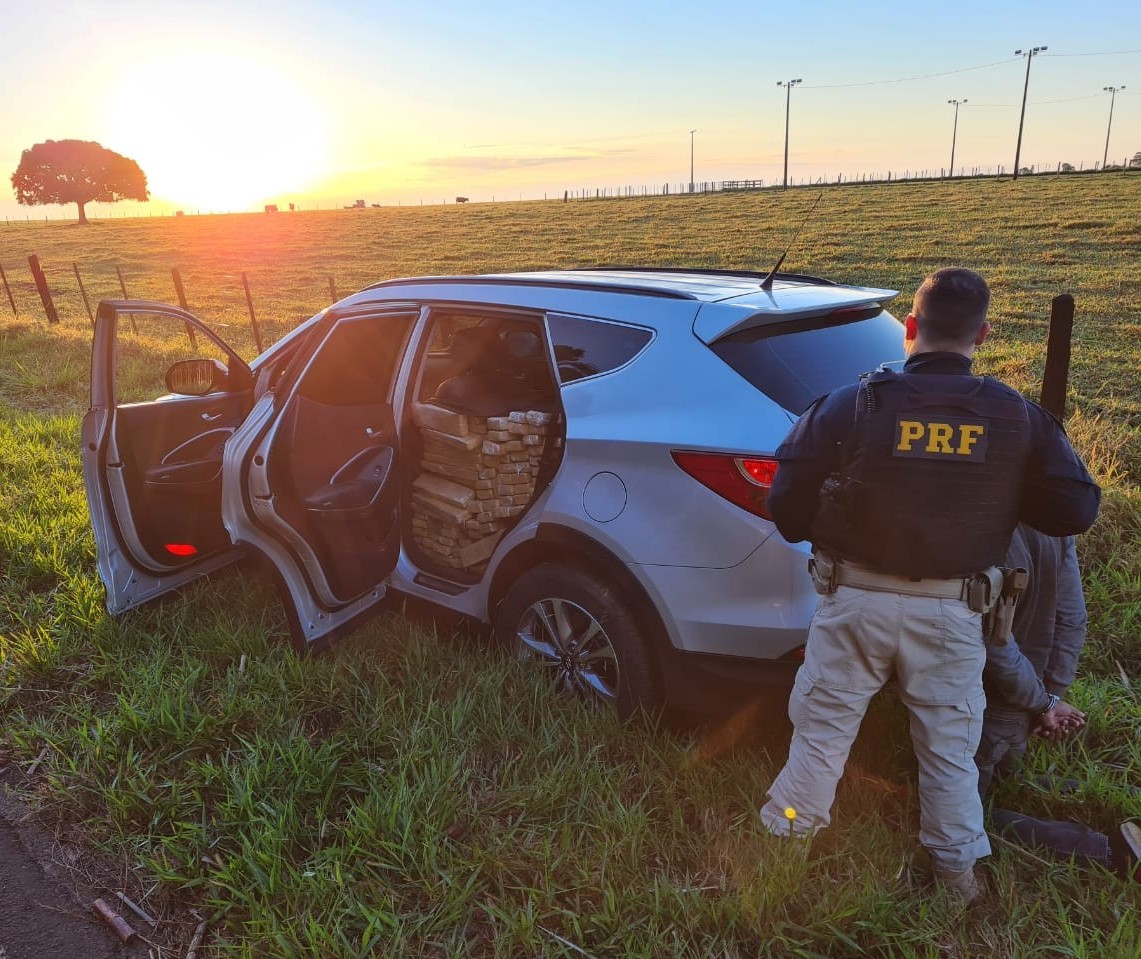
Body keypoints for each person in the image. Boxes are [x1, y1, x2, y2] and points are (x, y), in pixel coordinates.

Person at [757, 267, 1101, 904]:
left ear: (911, 329)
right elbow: (1076, 509)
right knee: (948, 754)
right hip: (952, 615)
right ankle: (956, 881)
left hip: (851, 602)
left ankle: (784, 852)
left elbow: (785, 509)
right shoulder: (1016, 416)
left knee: (822, 735)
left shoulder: (850, 403)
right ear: (984, 334)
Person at [980, 525, 1140, 878]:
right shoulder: (1053, 513)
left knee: (960, 813)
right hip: (1024, 704)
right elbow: (1072, 616)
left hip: (989, 704)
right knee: (1011, 780)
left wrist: (1043, 703)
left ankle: (1112, 854)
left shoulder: (984, 520)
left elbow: (992, 643)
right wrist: (1051, 696)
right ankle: (1124, 792)